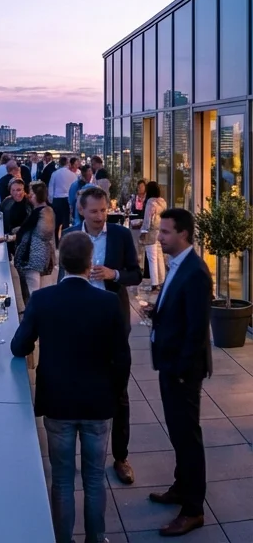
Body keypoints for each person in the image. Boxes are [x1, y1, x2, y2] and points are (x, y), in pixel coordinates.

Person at [12, 231, 130, 543]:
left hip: (58, 403)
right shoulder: (108, 303)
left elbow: (19, 346)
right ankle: (96, 538)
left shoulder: (42, 299)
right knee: (94, 478)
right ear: (90, 262)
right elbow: (123, 358)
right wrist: (113, 393)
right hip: (97, 403)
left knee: (62, 480)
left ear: (61, 262)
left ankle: (63, 540)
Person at [145, 207, 213, 536]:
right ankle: (180, 486)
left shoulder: (196, 272)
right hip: (170, 365)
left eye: (166, 232)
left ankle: (193, 509)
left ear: (184, 234)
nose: (160, 237)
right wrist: (155, 310)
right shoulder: (177, 265)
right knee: (178, 432)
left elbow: (197, 330)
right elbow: (178, 309)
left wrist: (184, 372)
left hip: (182, 371)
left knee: (187, 436)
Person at [67, 186, 142, 485]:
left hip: (112, 323)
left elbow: (136, 273)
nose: (100, 216)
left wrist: (115, 274)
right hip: (80, 324)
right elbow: (64, 276)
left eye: (104, 210)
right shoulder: (71, 236)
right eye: (94, 211)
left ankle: (121, 457)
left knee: (119, 393)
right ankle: (79, 457)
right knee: (79, 388)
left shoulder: (121, 236)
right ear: (81, 210)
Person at [10, 181, 56, 302]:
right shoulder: (42, 211)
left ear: (36, 195)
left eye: (31, 193)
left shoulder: (42, 212)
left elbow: (42, 233)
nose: (28, 195)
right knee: (37, 292)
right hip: (39, 258)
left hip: (33, 258)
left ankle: (34, 316)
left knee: (33, 292)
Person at [139, 181, 168, 289]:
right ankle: (162, 281)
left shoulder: (150, 203)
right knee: (160, 257)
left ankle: (154, 283)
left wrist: (143, 232)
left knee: (152, 258)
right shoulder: (163, 202)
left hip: (151, 232)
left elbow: (147, 220)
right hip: (160, 231)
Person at [48, 155, 79, 241]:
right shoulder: (73, 175)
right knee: (66, 222)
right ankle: (65, 241)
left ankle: (56, 242)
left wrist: (51, 200)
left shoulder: (55, 174)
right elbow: (75, 189)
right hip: (67, 200)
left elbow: (51, 188)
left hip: (57, 199)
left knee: (56, 223)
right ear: (67, 163)